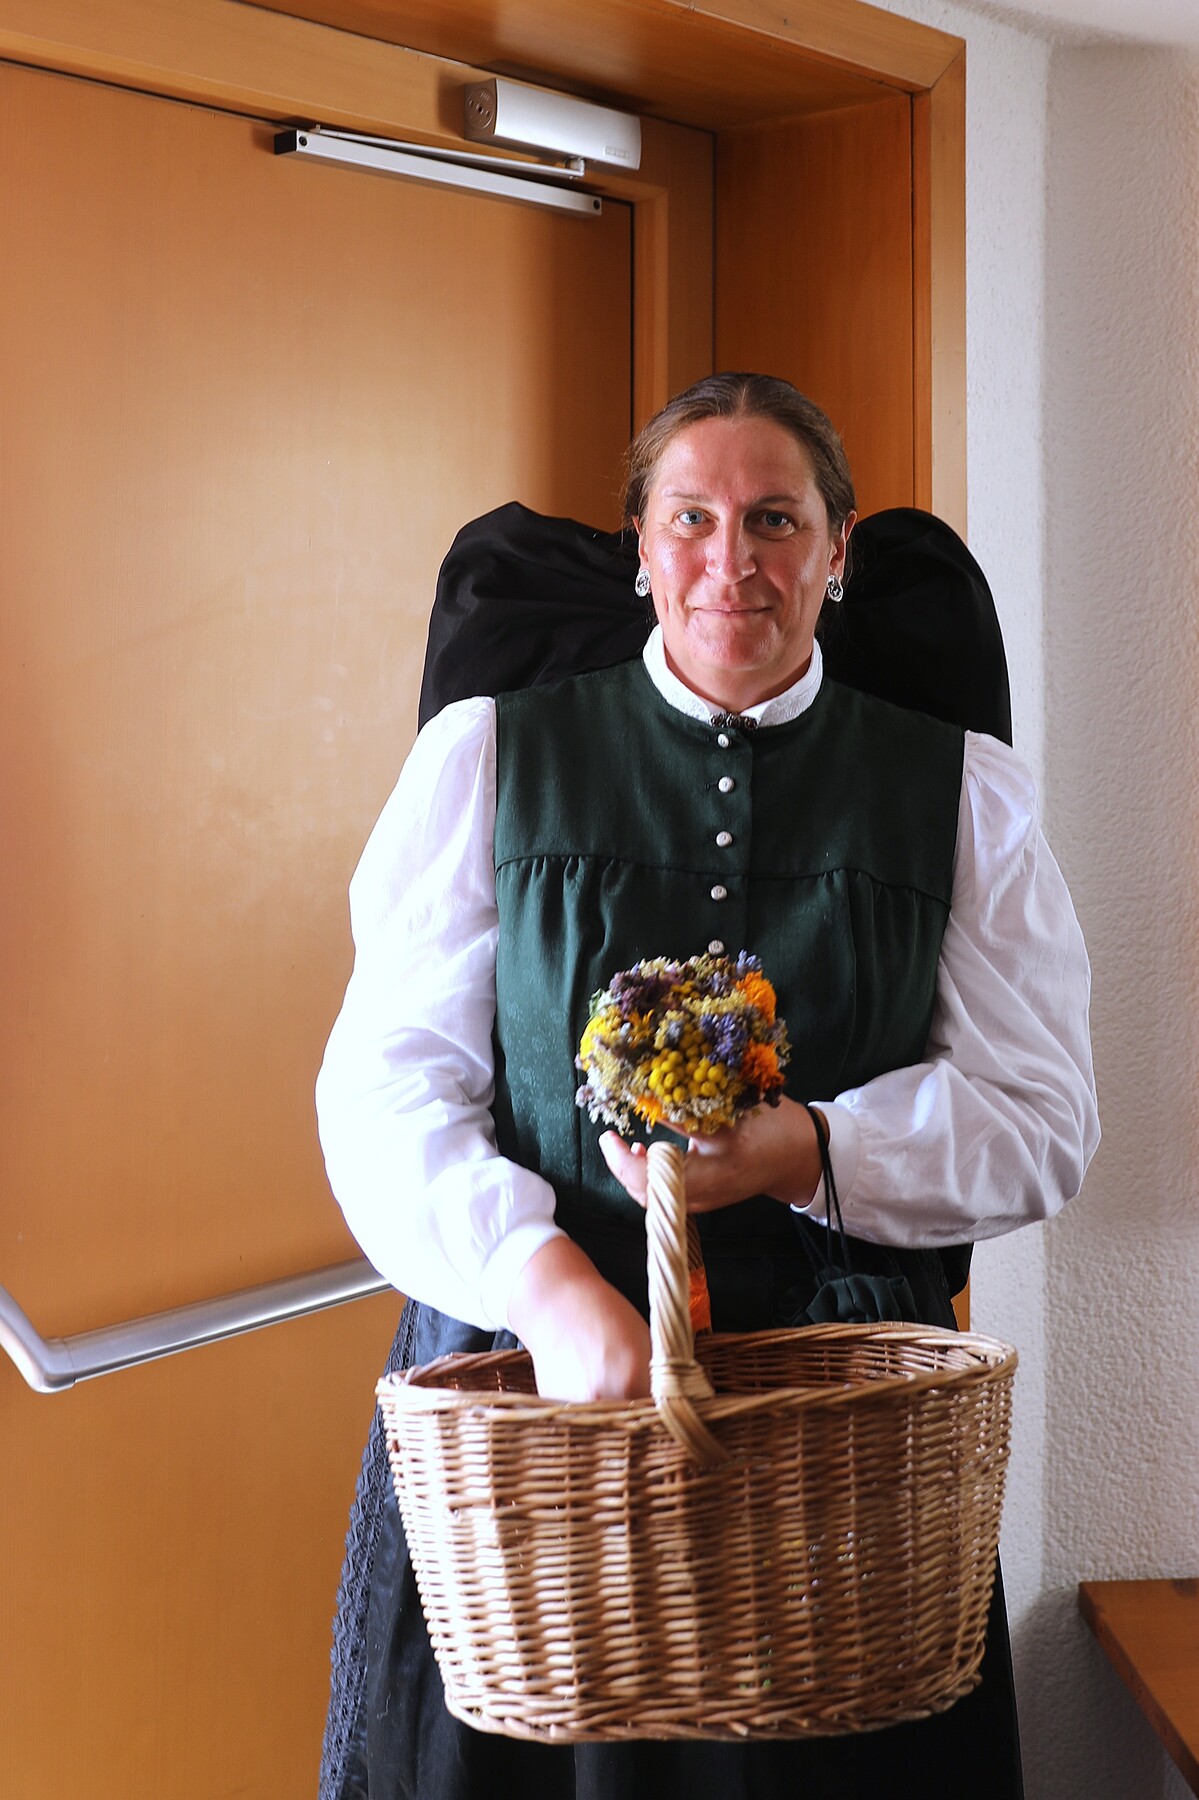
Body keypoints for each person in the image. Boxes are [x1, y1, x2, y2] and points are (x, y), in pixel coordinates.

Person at [315, 373, 1100, 1800]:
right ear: (640, 545)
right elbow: (385, 1096)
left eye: (775, 520)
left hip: (843, 1456)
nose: (730, 562)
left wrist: (810, 1152)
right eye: (691, 519)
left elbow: (1044, 1121)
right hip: (542, 1418)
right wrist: (547, 1285)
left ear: (838, 549)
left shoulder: (957, 793)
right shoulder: (488, 759)